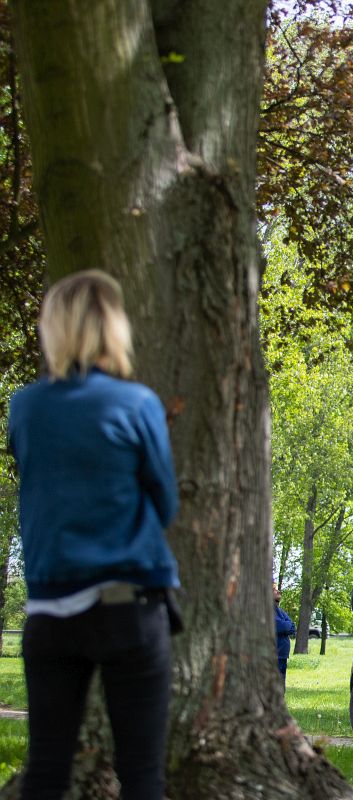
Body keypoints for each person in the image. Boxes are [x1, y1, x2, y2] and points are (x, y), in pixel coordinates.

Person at [7, 270, 180, 800]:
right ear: (114, 329)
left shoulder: (25, 407)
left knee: (46, 771)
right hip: (127, 604)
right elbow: (166, 503)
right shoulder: (137, 405)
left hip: (51, 610)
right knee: (141, 773)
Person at [274, 585, 296, 681]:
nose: (278, 591)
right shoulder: (266, 610)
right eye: (274, 590)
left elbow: (292, 628)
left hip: (282, 655)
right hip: (274, 655)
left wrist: (286, 625)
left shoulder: (280, 611)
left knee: (281, 685)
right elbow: (281, 626)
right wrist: (286, 625)